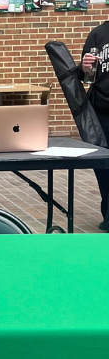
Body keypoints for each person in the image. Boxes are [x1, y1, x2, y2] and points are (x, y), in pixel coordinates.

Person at [80, 21, 109, 230]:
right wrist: (85, 68)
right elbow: (86, 76)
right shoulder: (98, 35)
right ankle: (108, 213)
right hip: (102, 110)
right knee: (104, 166)